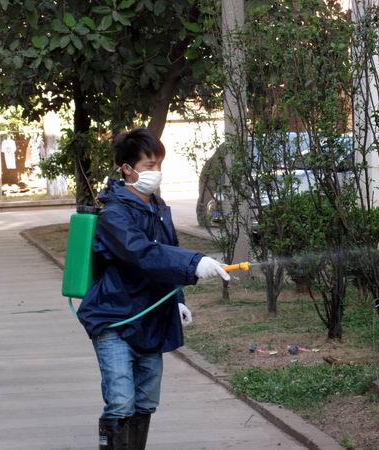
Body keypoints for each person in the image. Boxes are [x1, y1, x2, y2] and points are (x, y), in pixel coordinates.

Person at [76, 128, 230, 450]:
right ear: (126, 169)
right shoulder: (114, 215)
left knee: (145, 402)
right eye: (149, 165)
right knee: (121, 402)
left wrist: (177, 299)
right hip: (114, 319)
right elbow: (143, 253)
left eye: (159, 164)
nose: (156, 171)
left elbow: (166, 256)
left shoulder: (159, 208)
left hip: (150, 319)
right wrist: (194, 263)